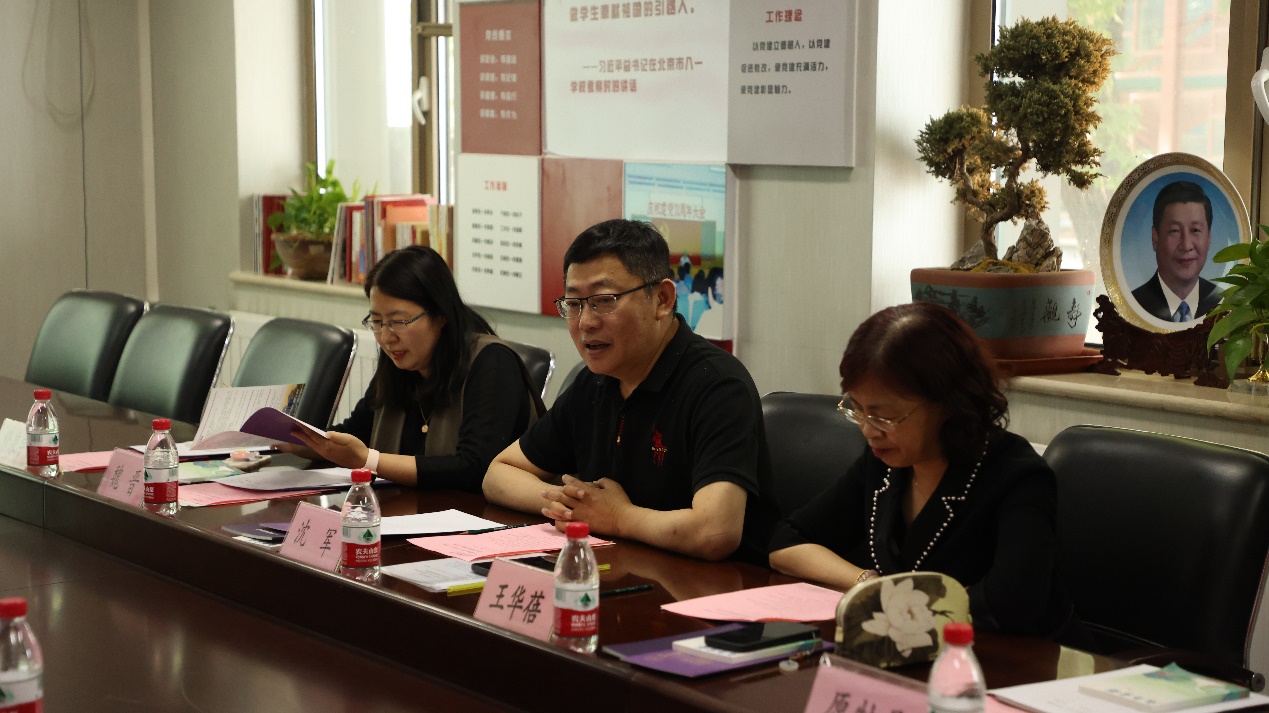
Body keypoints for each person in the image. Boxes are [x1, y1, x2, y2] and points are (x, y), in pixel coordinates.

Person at [768, 302, 1082, 641]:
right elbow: (787, 542)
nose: (868, 430)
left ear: (947, 402)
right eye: (856, 409)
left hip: (1017, 659)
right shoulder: (885, 461)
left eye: (884, 416)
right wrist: (868, 583)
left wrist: (897, 600)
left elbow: (1012, 605)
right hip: (912, 648)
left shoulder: (1015, 476)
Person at [483, 219, 775, 563]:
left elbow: (715, 532)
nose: (586, 322)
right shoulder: (595, 380)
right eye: (574, 304)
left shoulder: (718, 386)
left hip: (709, 584)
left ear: (662, 299)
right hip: (616, 569)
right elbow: (498, 474)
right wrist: (570, 504)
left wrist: (617, 517)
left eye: (604, 300)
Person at [279, 246, 543, 491]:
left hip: (484, 519)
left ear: (440, 314)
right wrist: (298, 439)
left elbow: (476, 467)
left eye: (398, 321)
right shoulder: (400, 362)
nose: (386, 337)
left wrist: (369, 460)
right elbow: (358, 432)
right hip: (407, 511)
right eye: (377, 322)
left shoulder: (492, 362)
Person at [1130, 180, 1221, 323]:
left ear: (1209, 238)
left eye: (1195, 230)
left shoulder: (1223, 304)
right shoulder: (1132, 305)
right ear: (1155, 238)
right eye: (1174, 231)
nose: (1186, 245)